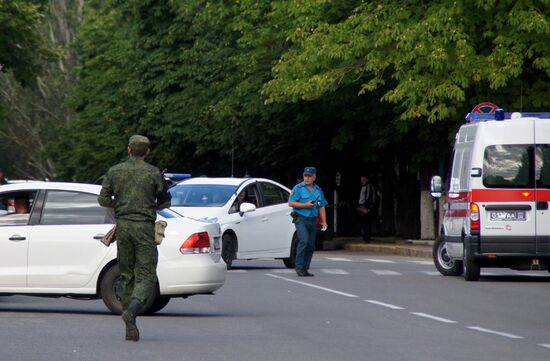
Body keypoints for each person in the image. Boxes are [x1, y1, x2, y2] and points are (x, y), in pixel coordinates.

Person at [98, 135, 171, 342]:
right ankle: (132, 310)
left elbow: (103, 199)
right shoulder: (153, 173)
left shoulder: (114, 171)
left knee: (126, 274)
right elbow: (166, 202)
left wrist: (121, 205)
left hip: (123, 228)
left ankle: (129, 320)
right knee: (147, 274)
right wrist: (148, 206)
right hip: (144, 228)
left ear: (129, 149)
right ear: (147, 152)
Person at [288, 167, 328, 277]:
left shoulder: (318, 190)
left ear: (314, 177)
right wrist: (305, 205)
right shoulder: (298, 188)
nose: (307, 178)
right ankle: (299, 267)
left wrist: (324, 221)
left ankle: (305, 268)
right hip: (301, 218)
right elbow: (291, 203)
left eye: (309, 176)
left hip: (312, 220)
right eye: (305, 176)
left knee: (310, 245)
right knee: (303, 241)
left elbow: (321, 205)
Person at [357, 175, 376, 242]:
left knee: (367, 222)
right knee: (364, 222)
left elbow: (368, 198)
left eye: (363, 180)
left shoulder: (368, 187)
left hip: (366, 207)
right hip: (362, 206)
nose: (362, 181)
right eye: (361, 180)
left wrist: (366, 208)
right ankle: (365, 236)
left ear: (367, 180)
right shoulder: (363, 187)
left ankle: (367, 237)